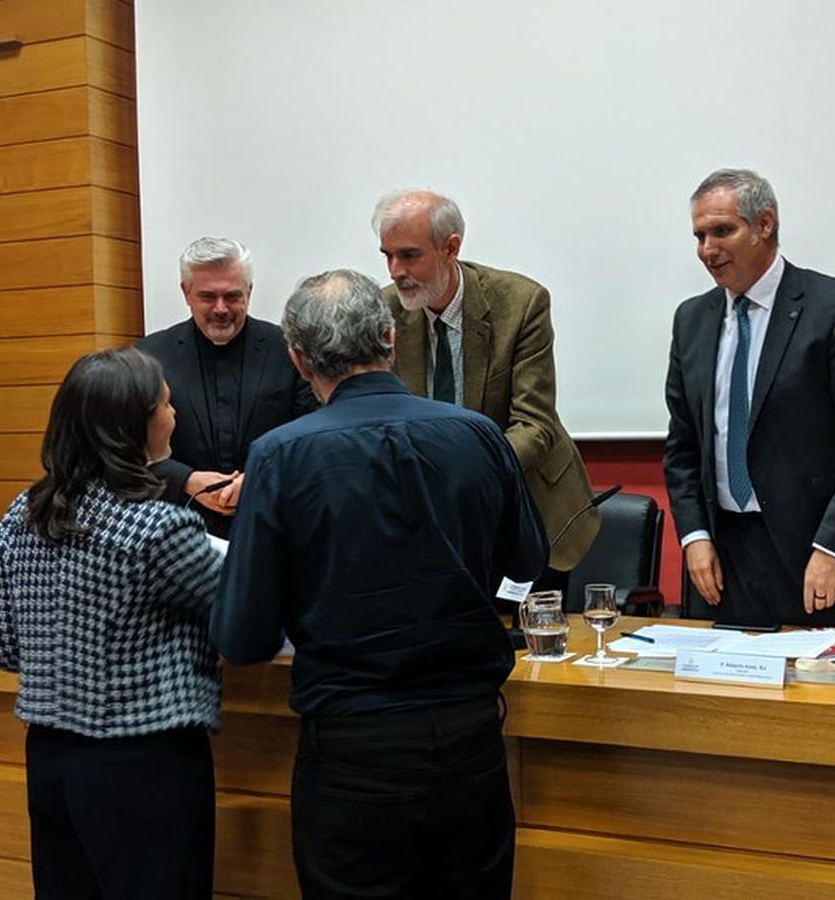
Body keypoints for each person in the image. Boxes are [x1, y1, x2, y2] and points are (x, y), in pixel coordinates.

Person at [212, 269, 547, 899]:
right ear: (391, 337)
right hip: (470, 738)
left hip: (352, 751)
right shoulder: (476, 434)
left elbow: (245, 637)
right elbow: (526, 559)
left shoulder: (279, 457)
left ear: (297, 359)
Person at [0, 347, 223, 898]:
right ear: (135, 426)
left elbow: (3, 649)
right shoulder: (159, 528)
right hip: (146, 764)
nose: (175, 415)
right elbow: (243, 622)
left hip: (49, 756)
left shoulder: (23, 517)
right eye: (165, 405)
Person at [663, 168, 835, 627]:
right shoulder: (692, 319)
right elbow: (682, 446)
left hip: (816, 550)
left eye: (722, 231)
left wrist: (834, 546)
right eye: (698, 236)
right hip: (721, 553)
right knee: (716, 696)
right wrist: (693, 536)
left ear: (765, 224)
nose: (707, 250)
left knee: (817, 693)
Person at [374, 190, 595, 578]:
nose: (395, 271)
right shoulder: (383, 312)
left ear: (450, 247)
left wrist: (465, 475)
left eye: (409, 255)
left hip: (526, 505)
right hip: (431, 519)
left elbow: (534, 425)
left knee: (533, 634)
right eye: (387, 255)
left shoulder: (520, 303)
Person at [136, 236, 317, 537]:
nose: (221, 308)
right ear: (186, 293)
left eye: (232, 296)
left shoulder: (289, 351)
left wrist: (259, 478)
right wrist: (186, 480)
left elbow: (313, 436)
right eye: (208, 296)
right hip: (175, 534)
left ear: (249, 291)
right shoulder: (148, 357)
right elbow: (124, 451)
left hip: (276, 528)